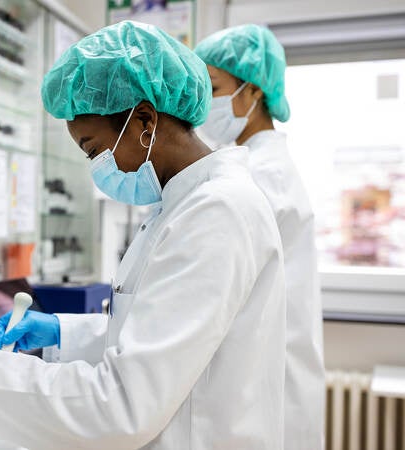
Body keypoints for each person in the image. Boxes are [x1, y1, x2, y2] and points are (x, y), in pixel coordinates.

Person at [0, 20, 286, 449]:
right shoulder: (180, 205)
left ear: (144, 120)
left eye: (94, 149)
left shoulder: (216, 212)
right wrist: (65, 332)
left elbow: (123, 405)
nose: (97, 168)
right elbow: (160, 334)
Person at [195, 24, 326, 450]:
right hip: (269, 381)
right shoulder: (252, 165)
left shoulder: (262, 176)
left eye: (213, 87)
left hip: (269, 387)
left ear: (252, 93)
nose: (203, 103)